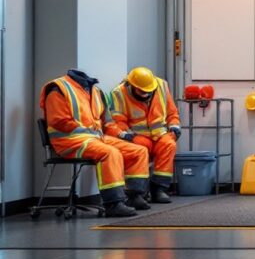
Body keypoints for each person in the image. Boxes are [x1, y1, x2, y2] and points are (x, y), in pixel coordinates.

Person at [40, 70, 150, 216]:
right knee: (110, 153)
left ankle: (134, 196)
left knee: (139, 151)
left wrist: (122, 134)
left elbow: (108, 123)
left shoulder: (96, 91)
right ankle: (113, 203)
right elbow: (58, 121)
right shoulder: (59, 88)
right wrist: (88, 131)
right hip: (69, 141)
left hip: (95, 139)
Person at [105, 67, 181, 204]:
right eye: (142, 91)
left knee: (169, 144)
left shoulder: (162, 86)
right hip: (137, 136)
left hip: (160, 135)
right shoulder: (119, 93)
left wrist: (174, 127)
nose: (146, 94)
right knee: (140, 149)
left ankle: (159, 189)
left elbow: (172, 113)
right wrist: (127, 136)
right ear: (132, 86)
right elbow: (118, 121)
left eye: (149, 91)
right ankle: (136, 192)